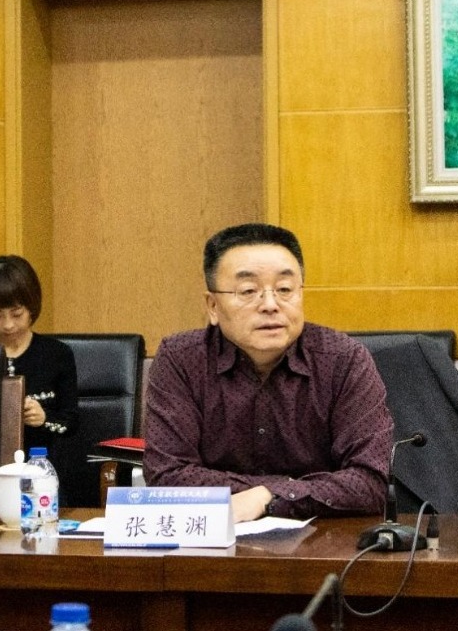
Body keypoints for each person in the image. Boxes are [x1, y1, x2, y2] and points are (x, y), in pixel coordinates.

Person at [144, 223, 392, 522]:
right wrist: (283, 491)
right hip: (215, 539)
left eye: (285, 289)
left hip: (325, 540)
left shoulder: (343, 360)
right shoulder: (181, 360)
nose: (270, 305)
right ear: (212, 306)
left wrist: (269, 497)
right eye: (248, 291)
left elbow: (369, 482)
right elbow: (167, 475)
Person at [0, 255, 87, 507]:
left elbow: (72, 422)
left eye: (17, 314)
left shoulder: (57, 354)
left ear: (32, 307)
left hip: (45, 475)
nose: (8, 324)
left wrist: (45, 419)